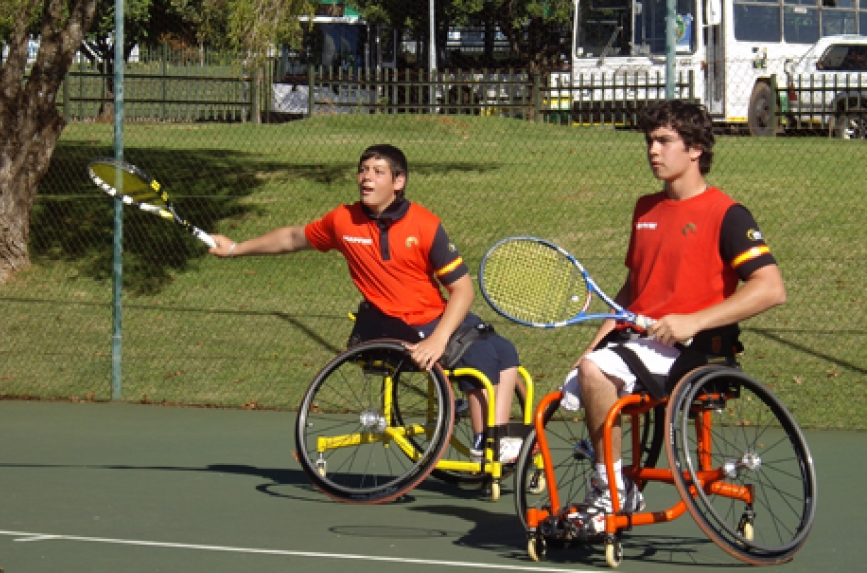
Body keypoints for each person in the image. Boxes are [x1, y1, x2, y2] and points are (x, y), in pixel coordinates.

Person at [207, 144, 523, 464]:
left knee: (504, 350)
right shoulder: (343, 220)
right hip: (389, 324)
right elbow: (292, 238)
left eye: (377, 171)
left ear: (398, 182)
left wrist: (439, 337)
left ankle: (492, 439)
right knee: (479, 352)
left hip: (432, 317)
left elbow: (463, 290)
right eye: (363, 170)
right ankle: (492, 443)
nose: (366, 177)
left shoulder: (425, 225)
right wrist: (235, 247)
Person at [560, 100, 786, 513]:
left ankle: (610, 492)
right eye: (649, 141)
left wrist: (692, 321)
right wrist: (594, 346)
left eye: (664, 141)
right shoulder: (645, 208)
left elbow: (770, 288)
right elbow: (633, 289)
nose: (652, 150)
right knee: (580, 378)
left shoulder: (727, 214)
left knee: (596, 373)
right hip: (638, 343)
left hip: (698, 350)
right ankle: (614, 482)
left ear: (696, 148)